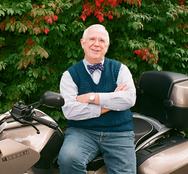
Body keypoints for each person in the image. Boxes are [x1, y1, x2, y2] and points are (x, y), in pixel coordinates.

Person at [57, 24, 136, 174]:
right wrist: (112, 103)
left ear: (107, 45)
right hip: (82, 131)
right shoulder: (70, 75)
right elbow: (70, 111)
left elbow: (129, 99)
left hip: (119, 132)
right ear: (83, 43)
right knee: (68, 159)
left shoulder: (120, 69)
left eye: (101, 40)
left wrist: (91, 97)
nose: (96, 44)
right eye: (92, 39)